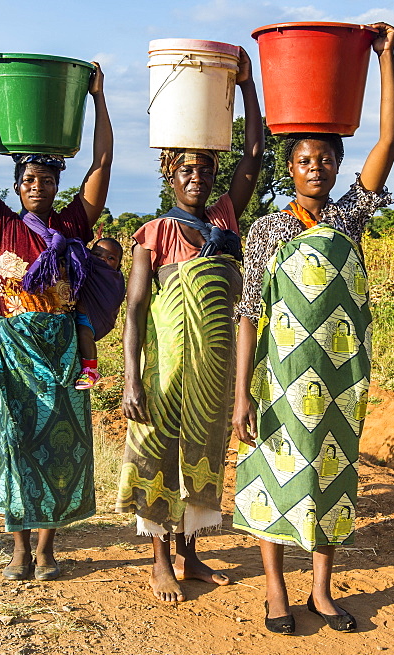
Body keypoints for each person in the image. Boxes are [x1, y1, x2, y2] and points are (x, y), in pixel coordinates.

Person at [231, 23, 394, 633]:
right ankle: (276, 589)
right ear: (292, 167)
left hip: (334, 378)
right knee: (271, 478)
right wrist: (240, 395)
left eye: (326, 159)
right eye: (305, 160)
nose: (317, 168)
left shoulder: (350, 216)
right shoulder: (267, 232)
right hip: (278, 381)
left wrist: (385, 59)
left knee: (330, 474)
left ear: (336, 164)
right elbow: (250, 312)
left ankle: (321, 591)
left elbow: (388, 137)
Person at [0, 51, 113, 581]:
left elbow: (102, 167)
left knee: (61, 445)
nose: (38, 186)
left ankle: (47, 547)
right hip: (16, 348)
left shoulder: (72, 225)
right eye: (29, 180)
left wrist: (97, 98)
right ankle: (19, 547)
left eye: (47, 179)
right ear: (18, 186)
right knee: (16, 440)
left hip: (63, 346)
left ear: (55, 186)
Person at [117, 47, 263, 603]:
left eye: (204, 169)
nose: (196, 178)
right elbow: (134, 311)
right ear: (169, 176)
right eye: (186, 170)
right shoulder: (152, 233)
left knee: (202, 452)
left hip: (214, 369)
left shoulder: (226, 217)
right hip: (167, 370)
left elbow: (254, 149)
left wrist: (247, 87)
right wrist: (131, 379)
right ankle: (159, 561)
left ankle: (191, 553)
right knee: (160, 454)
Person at [74, 236, 125, 389]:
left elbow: (112, 300)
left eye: (110, 258)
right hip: (72, 314)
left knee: (84, 334)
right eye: (97, 255)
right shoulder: (85, 266)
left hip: (90, 318)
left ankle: (91, 370)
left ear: (118, 265)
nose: (103, 260)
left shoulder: (114, 280)